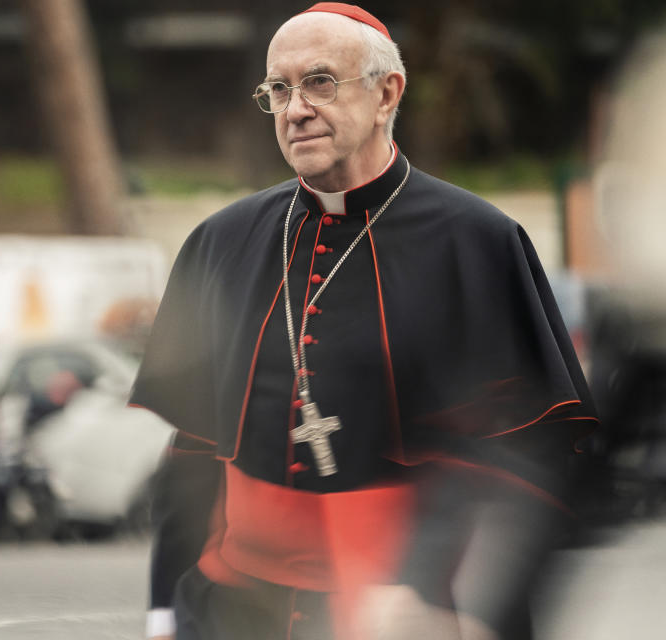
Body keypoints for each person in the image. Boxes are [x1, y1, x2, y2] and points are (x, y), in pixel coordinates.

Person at [130, 3, 597, 639]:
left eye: (320, 82)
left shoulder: (477, 242)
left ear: (386, 94)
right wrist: (163, 607)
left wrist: (461, 598)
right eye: (278, 89)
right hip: (236, 608)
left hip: (415, 610)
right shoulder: (220, 243)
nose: (295, 109)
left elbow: (525, 456)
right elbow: (192, 451)